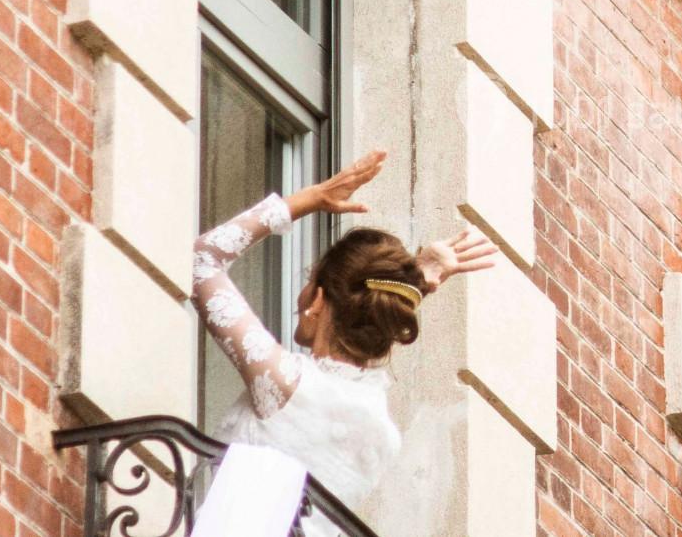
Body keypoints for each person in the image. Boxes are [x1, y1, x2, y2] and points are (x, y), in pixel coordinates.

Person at [190, 150, 497, 533]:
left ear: (317, 300)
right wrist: (415, 281)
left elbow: (201, 261)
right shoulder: (381, 432)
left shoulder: (286, 383)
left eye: (309, 279)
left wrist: (310, 198)